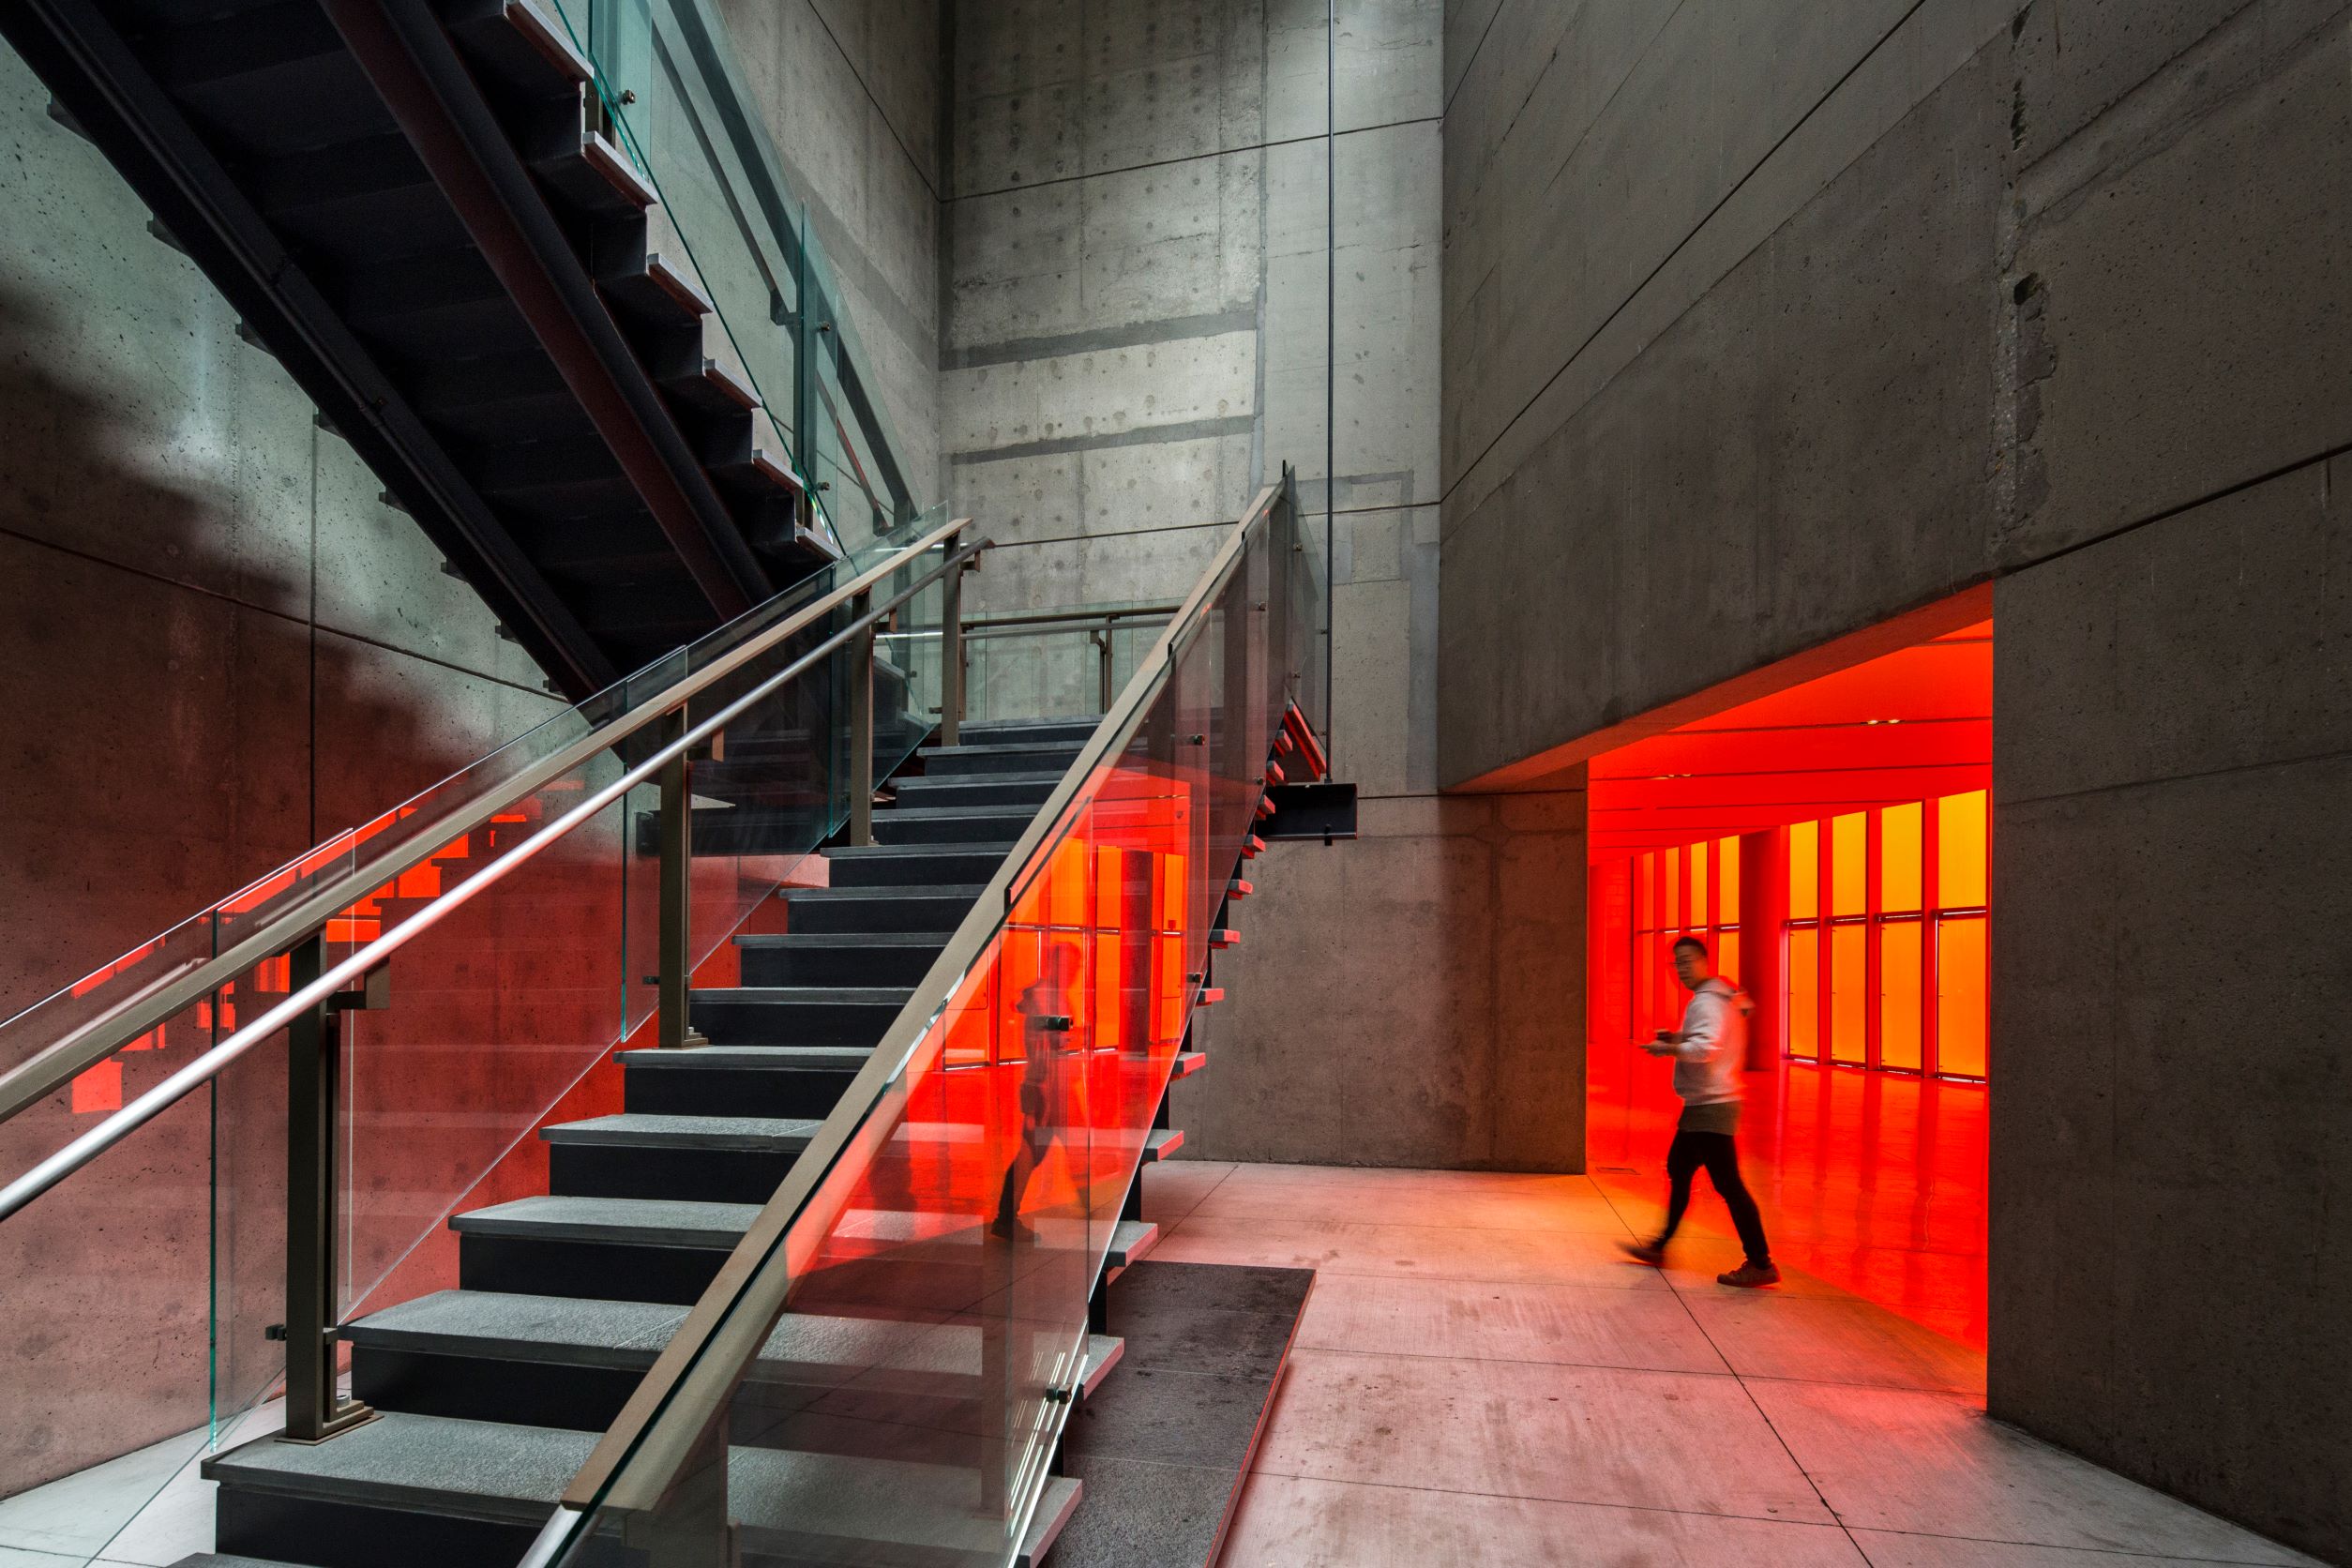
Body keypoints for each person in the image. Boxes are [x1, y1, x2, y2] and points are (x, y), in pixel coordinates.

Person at [1618, 935, 1779, 1287]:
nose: (1683, 968)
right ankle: (1660, 1246)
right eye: (1678, 962)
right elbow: (1710, 1041)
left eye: (1689, 960)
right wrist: (1677, 1039)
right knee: (1679, 1167)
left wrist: (1667, 1050)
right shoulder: (1723, 996)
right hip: (1705, 1104)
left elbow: (1706, 1048)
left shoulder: (1706, 1002)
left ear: (1705, 961)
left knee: (1728, 1185)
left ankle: (1760, 1261)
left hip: (1712, 1104)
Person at [990, 942, 1082, 1244]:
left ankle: (1091, 1202)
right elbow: (1042, 1038)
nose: (1073, 973)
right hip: (1043, 1091)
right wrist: (1033, 1108)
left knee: (1069, 1146)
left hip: (1056, 1090)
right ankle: (1006, 1218)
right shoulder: (1041, 996)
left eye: (1075, 967)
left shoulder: (1054, 995)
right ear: (1053, 965)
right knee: (1029, 1156)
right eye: (1068, 966)